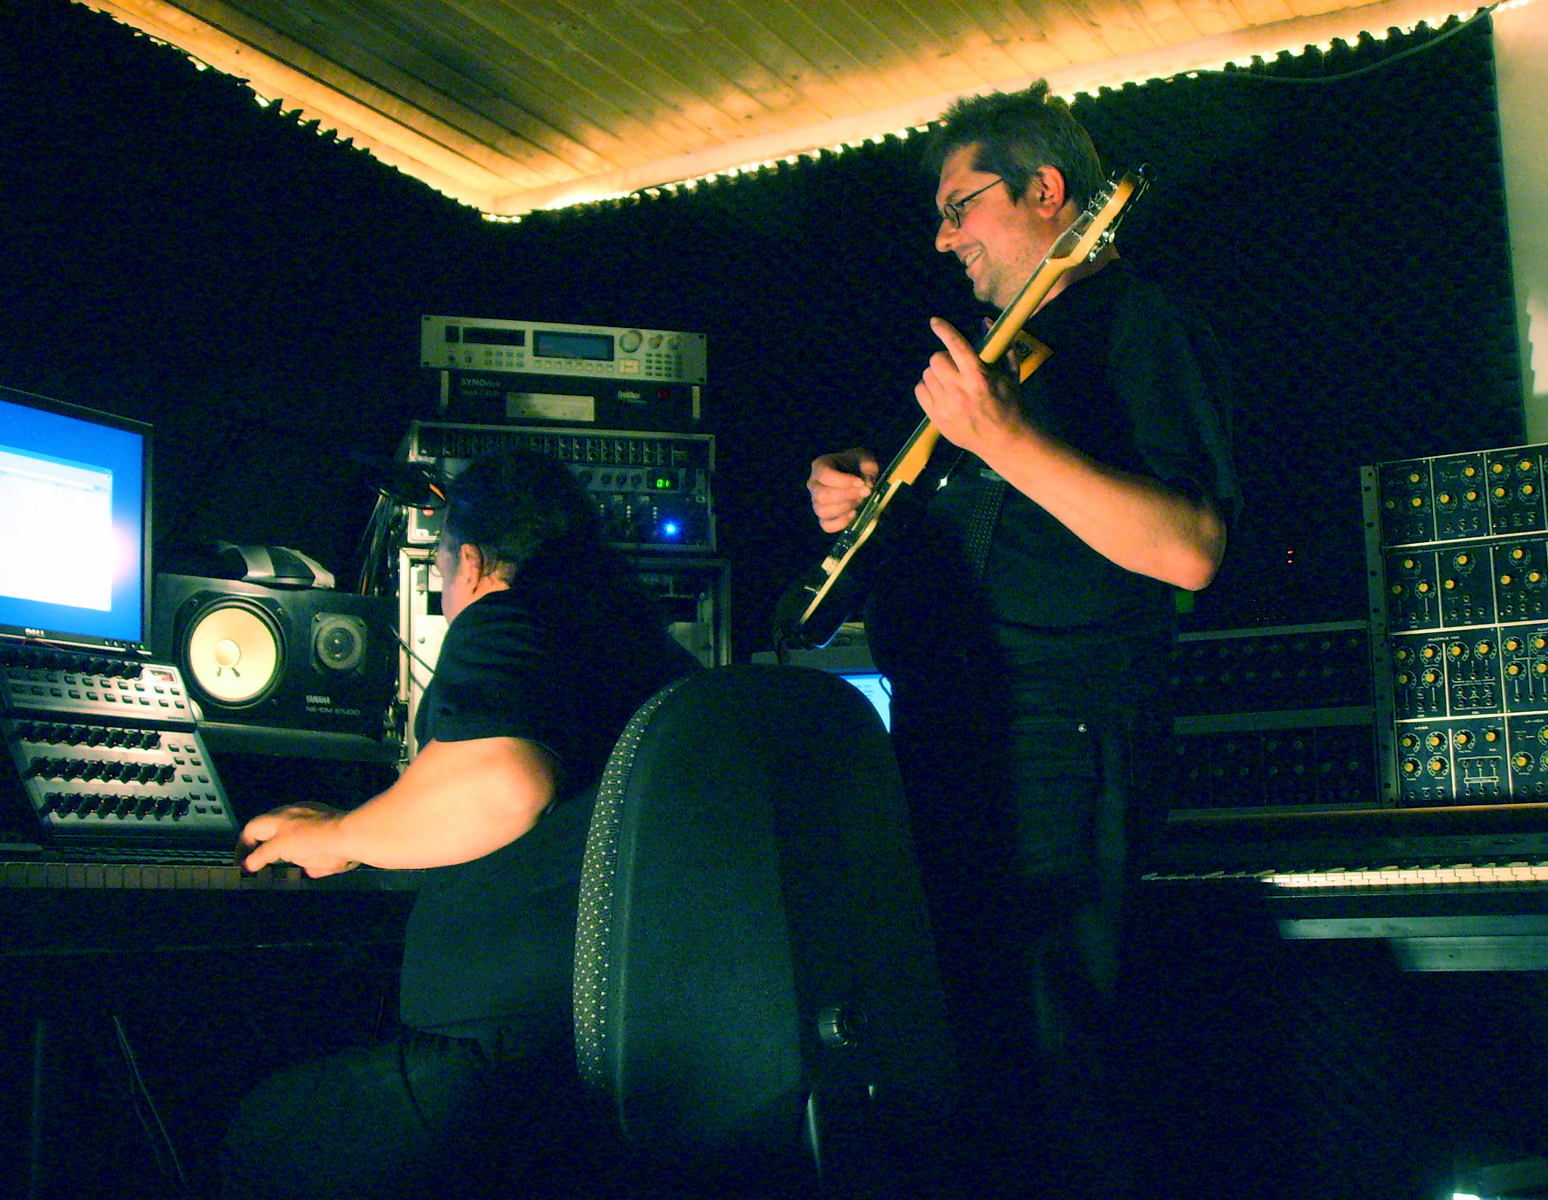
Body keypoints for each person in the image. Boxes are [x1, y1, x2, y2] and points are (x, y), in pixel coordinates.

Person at [805, 81, 1240, 1198]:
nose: (943, 238)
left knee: (1055, 1065)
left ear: (1047, 191)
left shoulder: (1140, 323)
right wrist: (870, 505)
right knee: (970, 1058)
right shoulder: (1008, 354)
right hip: (954, 740)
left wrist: (1001, 440)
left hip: (1057, 741)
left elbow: (1189, 548)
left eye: (962, 206)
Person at [215, 450, 698, 1198]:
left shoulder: (510, 614)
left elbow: (502, 786)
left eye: (442, 572)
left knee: (257, 1124)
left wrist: (336, 839)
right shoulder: (648, 652)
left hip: (499, 1074)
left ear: (469, 561)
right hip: (628, 1061)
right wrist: (360, 827)